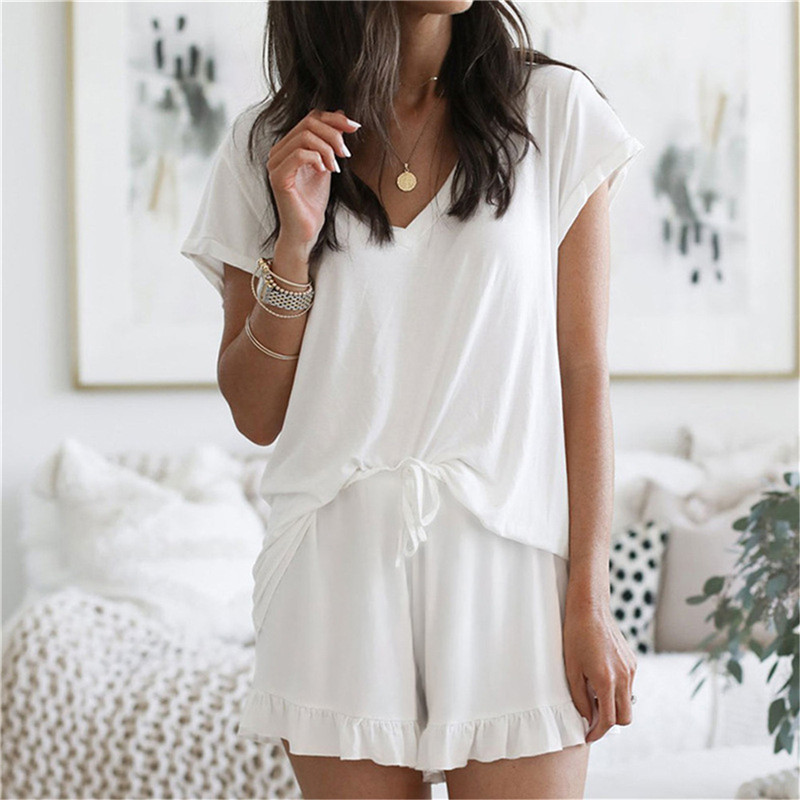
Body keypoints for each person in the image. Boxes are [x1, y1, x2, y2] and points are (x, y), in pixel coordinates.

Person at [180, 1, 644, 797]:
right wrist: (293, 246)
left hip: (512, 563)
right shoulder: (269, 145)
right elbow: (256, 414)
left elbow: (583, 372)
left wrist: (588, 597)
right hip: (333, 568)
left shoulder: (554, 113)